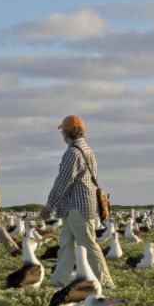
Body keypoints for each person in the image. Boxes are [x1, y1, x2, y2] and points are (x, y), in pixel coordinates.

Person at [40, 115, 114, 289]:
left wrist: (49, 206)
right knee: (65, 244)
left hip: (76, 206)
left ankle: (106, 282)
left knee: (88, 244)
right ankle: (58, 282)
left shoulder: (73, 152)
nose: (62, 135)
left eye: (62, 131)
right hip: (78, 205)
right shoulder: (88, 150)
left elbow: (63, 181)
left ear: (67, 132)